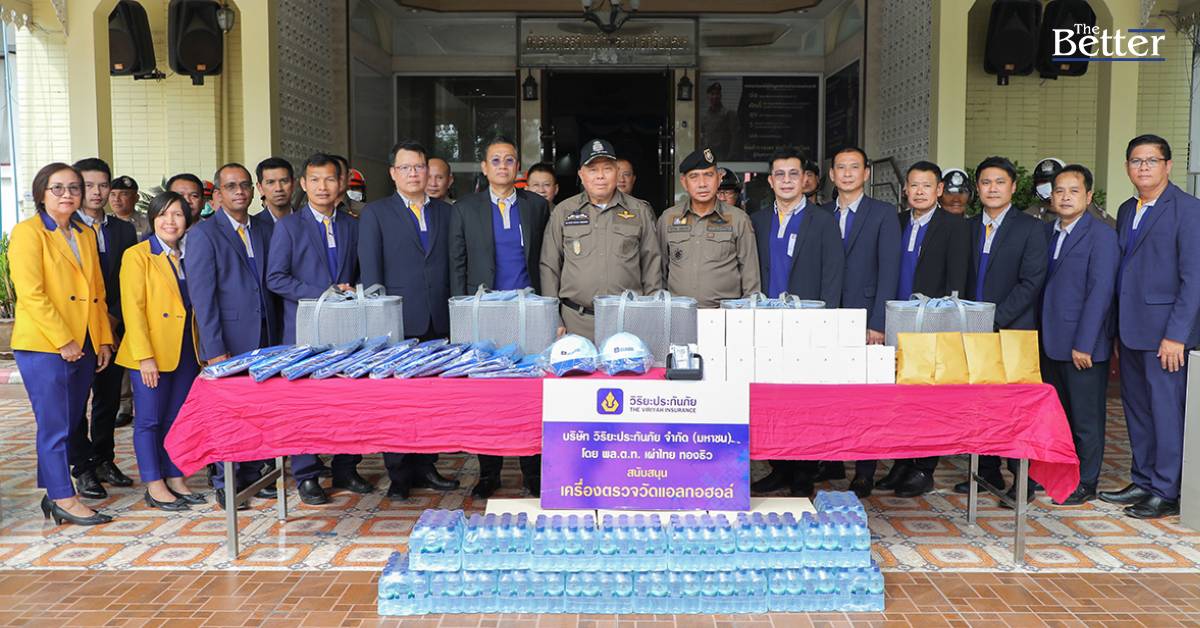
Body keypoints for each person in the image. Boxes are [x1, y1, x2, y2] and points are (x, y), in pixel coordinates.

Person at [1100, 134, 1200, 519]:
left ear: (1168, 166)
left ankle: (1166, 489)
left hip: (1166, 336)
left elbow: (1193, 280)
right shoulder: (1128, 209)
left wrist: (1177, 335)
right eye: (1136, 161)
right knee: (1138, 409)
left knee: (1166, 412)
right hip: (1132, 331)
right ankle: (1142, 479)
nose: (1143, 167)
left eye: (1151, 160)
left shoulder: (1188, 210)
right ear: (1127, 167)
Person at [11, 162, 115, 525]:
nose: (67, 194)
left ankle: (53, 491)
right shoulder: (29, 233)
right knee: (54, 423)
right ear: (42, 193)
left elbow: (97, 292)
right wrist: (63, 340)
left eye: (74, 188)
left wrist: (102, 339)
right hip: (46, 345)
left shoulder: (83, 233)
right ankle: (62, 497)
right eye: (57, 188)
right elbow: (32, 294)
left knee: (69, 422)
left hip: (84, 341)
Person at [266, 153, 372, 505]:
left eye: (329, 179)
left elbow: (358, 273)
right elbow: (276, 278)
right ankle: (307, 475)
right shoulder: (289, 226)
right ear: (304, 184)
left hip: (345, 330)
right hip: (304, 330)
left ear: (341, 183)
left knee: (348, 403)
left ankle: (346, 467)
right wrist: (324, 293)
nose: (322, 187)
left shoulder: (352, 225)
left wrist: (354, 291)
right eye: (315, 180)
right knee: (305, 406)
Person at [448, 136, 550, 500]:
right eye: (496, 160)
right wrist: (461, 315)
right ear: (484, 167)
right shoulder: (465, 208)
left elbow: (547, 259)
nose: (503, 166)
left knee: (530, 395)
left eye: (509, 160)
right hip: (485, 311)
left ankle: (533, 473)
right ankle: (488, 473)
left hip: (529, 310)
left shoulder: (536, 206)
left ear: (518, 167)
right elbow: (457, 264)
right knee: (488, 396)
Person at [359, 140, 461, 499]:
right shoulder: (376, 214)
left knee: (432, 401)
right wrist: (379, 322)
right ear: (393, 173)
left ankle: (427, 465)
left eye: (419, 166)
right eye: (406, 167)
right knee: (398, 402)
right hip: (397, 321)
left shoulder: (447, 213)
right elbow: (371, 272)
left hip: (439, 319)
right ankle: (399, 473)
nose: (414, 173)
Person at [185, 163, 281, 509]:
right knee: (227, 414)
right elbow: (203, 298)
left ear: (254, 190)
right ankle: (225, 481)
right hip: (229, 339)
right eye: (231, 186)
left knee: (258, 410)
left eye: (244, 185)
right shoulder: (204, 234)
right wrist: (214, 348)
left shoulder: (265, 228)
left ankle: (253, 473)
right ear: (218, 194)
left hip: (266, 336)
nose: (239, 191)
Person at [749, 148, 843, 498]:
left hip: (809, 323)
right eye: (780, 174)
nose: (787, 181)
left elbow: (833, 273)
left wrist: (827, 320)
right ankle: (779, 469)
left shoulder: (823, 220)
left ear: (805, 179)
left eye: (793, 174)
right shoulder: (757, 220)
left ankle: (803, 471)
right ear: (770, 180)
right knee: (770, 398)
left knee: (805, 399)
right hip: (765, 323)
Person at [877, 161, 970, 498]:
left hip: (932, 326)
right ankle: (902, 462)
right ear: (905, 189)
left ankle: (923, 468)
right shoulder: (897, 221)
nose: (919, 192)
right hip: (896, 322)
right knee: (899, 397)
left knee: (928, 399)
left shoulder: (954, 226)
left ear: (939, 190)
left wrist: (948, 327)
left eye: (926, 186)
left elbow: (957, 280)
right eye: (914, 185)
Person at [959, 156, 1049, 504]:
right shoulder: (968, 227)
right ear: (977, 188)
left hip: (1013, 332)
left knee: (1014, 409)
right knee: (979, 404)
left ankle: (1022, 480)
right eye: (986, 182)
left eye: (999, 182)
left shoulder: (1030, 228)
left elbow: (1031, 283)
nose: (992, 188)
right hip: (974, 333)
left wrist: (993, 320)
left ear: (1013, 187)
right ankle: (987, 471)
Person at [815, 147, 901, 498]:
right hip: (827, 318)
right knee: (828, 393)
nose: (847, 173)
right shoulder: (820, 213)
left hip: (866, 319)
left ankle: (864, 472)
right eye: (841, 167)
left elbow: (890, 271)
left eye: (854, 167)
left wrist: (879, 322)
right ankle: (829, 460)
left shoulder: (883, 214)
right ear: (831, 175)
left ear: (866, 173)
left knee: (866, 398)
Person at [115, 191, 206, 511]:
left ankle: (175, 476)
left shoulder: (190, 254)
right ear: (152, 219)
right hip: (151, 352)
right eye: (163, 214)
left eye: (178, 214)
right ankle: (154, 484)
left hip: (186, 350)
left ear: (187, 220)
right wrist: (145, 358)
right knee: (149, 420)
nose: (171, 221)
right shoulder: (138, 255)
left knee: (176, 418)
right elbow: (133, 310)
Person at [1038, 164, 1119, 507]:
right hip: (1049, 341)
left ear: (1088, 196)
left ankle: (1086, 481)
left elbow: (1101, 292)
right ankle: (1059, 473)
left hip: (1082, 346)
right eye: (1059, 191)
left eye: (1074, 191)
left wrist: (1084, 343)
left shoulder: (1102, 236)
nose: (1065, 197)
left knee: (1086, 418)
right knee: (1059, 416)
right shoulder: (1047, 232)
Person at [540, 138, 663, 341]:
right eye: (592, 170)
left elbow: (652, 266)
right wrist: (552, 317)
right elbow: (549, 266)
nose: (600, 176)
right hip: (574, 322)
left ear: (617, 171)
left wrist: (650, 315)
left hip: (628, 320)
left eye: (607, 169)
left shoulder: (639, 211)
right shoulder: (564, 211)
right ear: (581, 174)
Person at [70, 158, 137, 499]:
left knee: (108, 398)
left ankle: (103, 459)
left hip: (113, 325)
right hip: (78, 330)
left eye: (103, 185)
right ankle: (82, 466)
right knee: (76, 401)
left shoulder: (122, 229)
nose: (97, 192)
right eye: (89, 185)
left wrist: (113, 317)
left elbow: (129, 280)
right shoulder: (66, 230)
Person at [657, 148, 760, 308]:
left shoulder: (739, 219)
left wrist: (746, 315)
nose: (702, 184)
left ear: (718, 178)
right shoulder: (668, 219)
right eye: (694, 177)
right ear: (684, 182)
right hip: (679, 313)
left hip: (724, 315)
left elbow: (750, 277)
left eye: (708, 175)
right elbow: (659, 273)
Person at [253, 157, 295, 227]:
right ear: (260, 188)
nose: (278, 188)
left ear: (293, 184)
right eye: (270, 182)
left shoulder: (309, 222)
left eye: (284, 181)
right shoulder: (252, 227)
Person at [701, 82, 738, 160]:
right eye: (712, 94)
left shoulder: (728, 113)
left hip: (723, 155)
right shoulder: (705, 116)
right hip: (709, 156)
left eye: (717, 94)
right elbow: (704, 137)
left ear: (720, 96)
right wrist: (706, 156)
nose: (715, 96)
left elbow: (735, 137)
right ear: (708, 96)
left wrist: (730, 156)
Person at [1027, 157, 1064, 223]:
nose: (1048, 185)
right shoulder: (1028, 216)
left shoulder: (1078, 213)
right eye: (1043, 181)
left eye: (1053, 181)